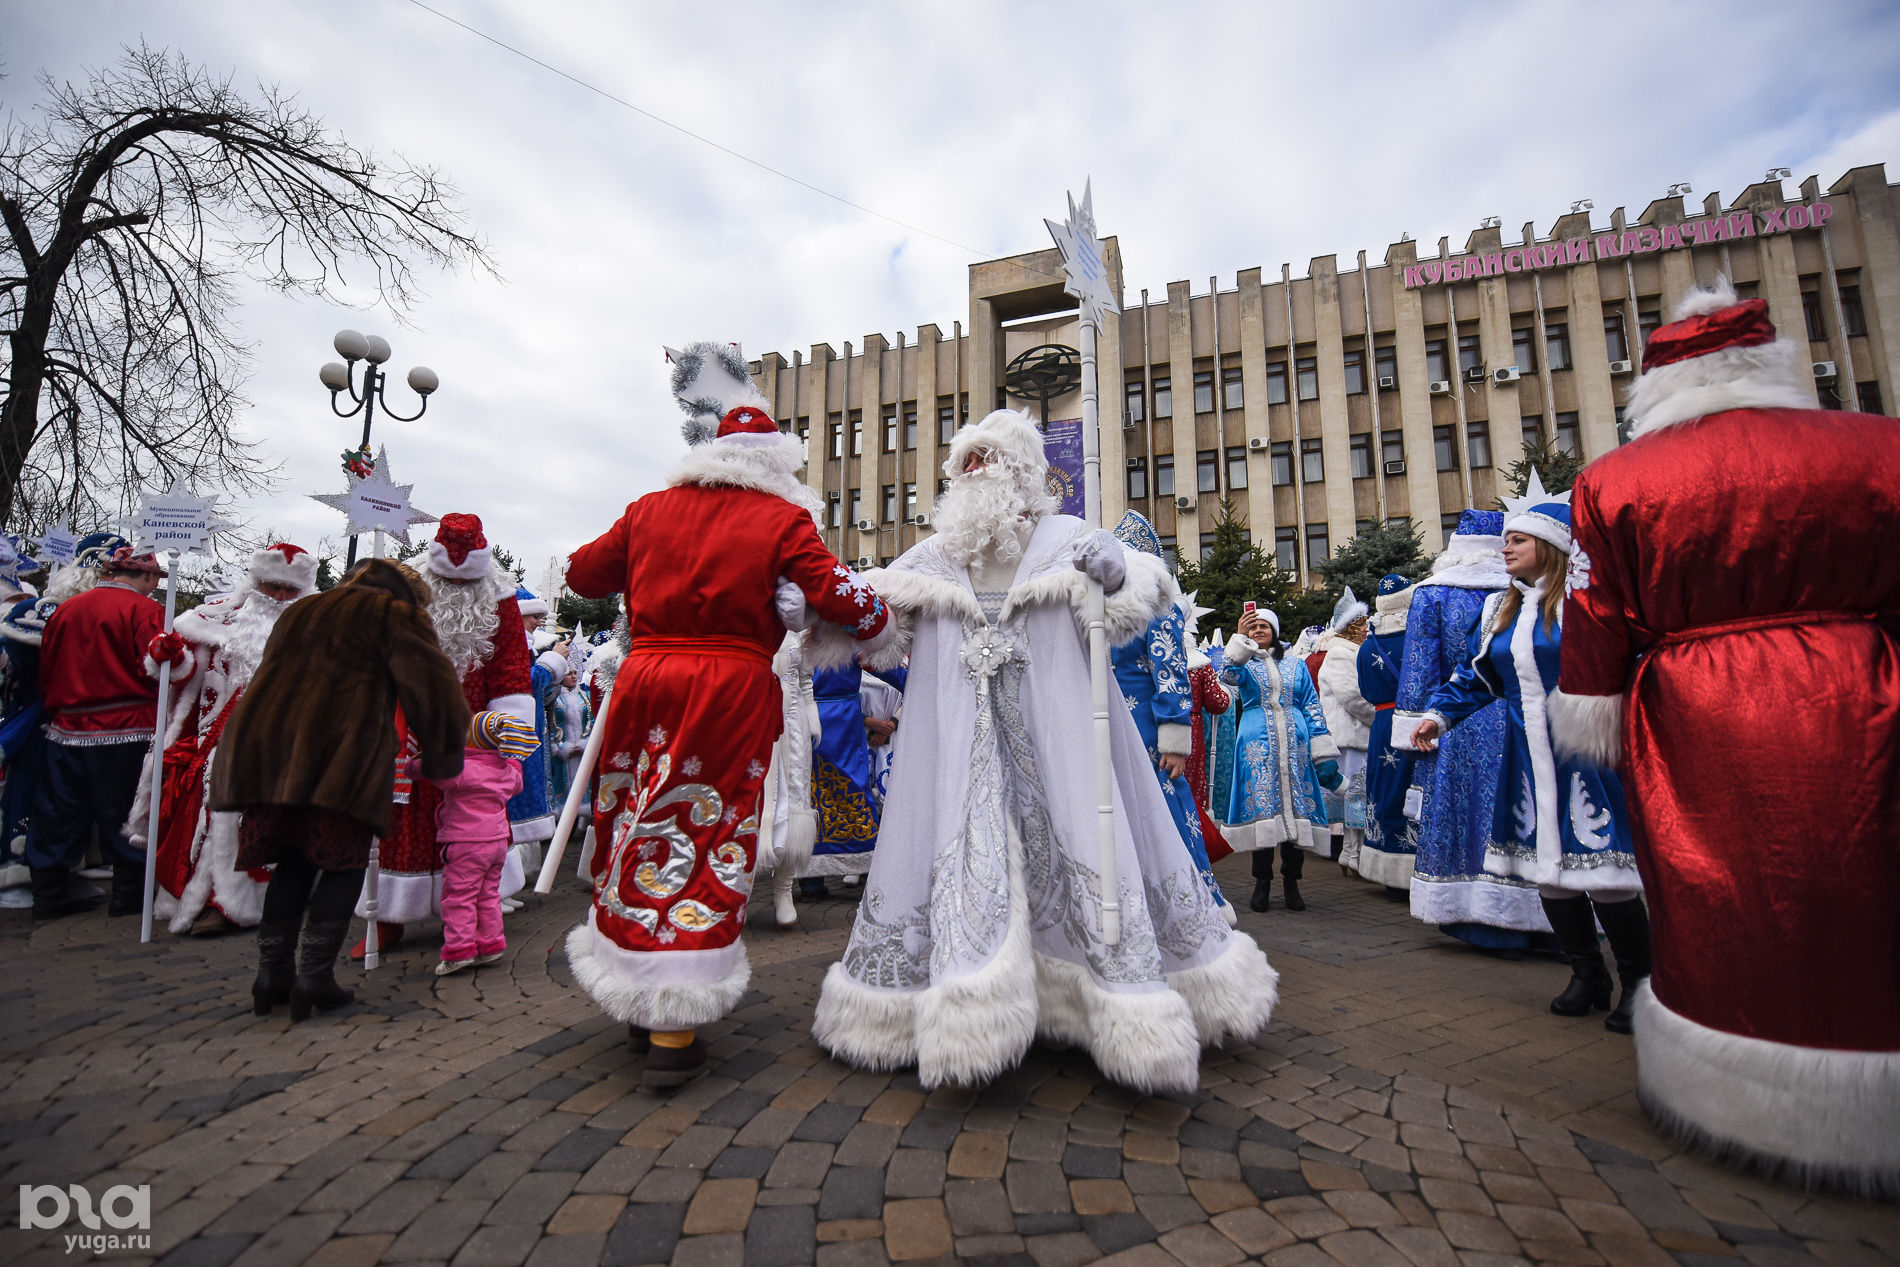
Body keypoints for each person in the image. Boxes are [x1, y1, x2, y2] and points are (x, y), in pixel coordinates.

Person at [810, 408, 1277, 1094]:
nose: (975, 472)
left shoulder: (1070, 542)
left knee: (1077, 845)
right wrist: (817, 612)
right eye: (965, 461)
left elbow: (1139, 600)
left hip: (1060, 747)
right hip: (961, 757)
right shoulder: (931, 558)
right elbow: (871, 623)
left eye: (990, 458)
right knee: (966, 859)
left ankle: (1099, 1005)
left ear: (1024, 472)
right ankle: (957, 1011)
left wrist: (1119, 573)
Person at [1554, 281, 1900, 1195]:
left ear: (1657, 386)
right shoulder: (1882, 449)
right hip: (1866, 693)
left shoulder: (1618, 481)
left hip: (1699, 711)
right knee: (1873, 886)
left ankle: (1729, 1082)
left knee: (1722, 887)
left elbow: (1594, 627)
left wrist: (1599, 706)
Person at [562, 341, 894, 1091]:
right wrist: (877, 625)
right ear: (776, 463)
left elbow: (583, 572)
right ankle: (674, 1026)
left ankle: (639, 995)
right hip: (729, 687)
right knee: (707, 826)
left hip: (648, 676)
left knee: (634, 818)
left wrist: (651, 567)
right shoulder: (779, 518)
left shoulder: (650, 509)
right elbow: (845, 596)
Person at [1411, 475, 1648, 1032]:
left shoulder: (1590, 605)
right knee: (1549, 875)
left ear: (1554, 545)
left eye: (1518, 538)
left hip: (1586, 758)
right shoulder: (1504, 609)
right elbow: (1476, 677)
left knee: (1606, 871)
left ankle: (1640, 983)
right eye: (1506, 539)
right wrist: (1436, 714)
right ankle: (1587, 974)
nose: (1505, 546)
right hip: (1526, 761)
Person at [211, 559, 469, 1019]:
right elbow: (433, 690)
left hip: (271, 752)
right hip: (339, 753)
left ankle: (272, 975)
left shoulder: (302, 610)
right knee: (342, 862)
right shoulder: (395, 613)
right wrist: (442, 755)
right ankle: (316, 977)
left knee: (291, 861)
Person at [353, 513, 533, 958]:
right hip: (408, 717)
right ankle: (390, 917)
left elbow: (510, 665)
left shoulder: (502, 596)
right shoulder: (409, 587)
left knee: (472, 822)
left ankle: (472, 918)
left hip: (474, 728)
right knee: (400, 815)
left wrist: (507, 726)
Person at [126, 544, 318, 936]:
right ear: (255, 582)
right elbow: (184, 678)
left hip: (289, 743)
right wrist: (170, 657)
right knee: (214, 820)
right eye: (271, 587)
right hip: (220, 739)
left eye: (289, 590)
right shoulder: (215, 620)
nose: (279, 598)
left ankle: (266, 901)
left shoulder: (319, 630)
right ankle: (212, 901)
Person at [1397, 510, 1549, 951]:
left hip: (1464, 729)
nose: (1507, 550)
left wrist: (1422, 721)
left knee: (1474, 816)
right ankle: (1552, 924)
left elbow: (1422, 669)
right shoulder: (1524, 593)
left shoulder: (1434, 592)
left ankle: (1481, 919)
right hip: (1524, 719)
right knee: (1535, 814)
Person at [29, 546, 176, 919]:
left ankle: (48, 893)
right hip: (126, 725)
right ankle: (127, 895)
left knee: (59, 808)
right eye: (155, 580)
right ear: (145, 576)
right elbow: (156, 669)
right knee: (124, 808)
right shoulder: (146, 612)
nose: (155, 587)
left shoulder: (67, 608)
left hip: (67, 725)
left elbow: (47, 665)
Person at [1108, 510, 1233, 924]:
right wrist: (1176, 739)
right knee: (1163, 812)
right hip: (1145, 725)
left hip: (1110, 726)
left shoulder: (1096, 602)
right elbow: (1170, 672)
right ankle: (1187, 909)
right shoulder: (1158, 601)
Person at [1211, 606, 1339, 913]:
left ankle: (1292, 882)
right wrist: (1239, 639)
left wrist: (1321, 744)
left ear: (1275, 631)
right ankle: (1262, 883)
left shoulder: (1296, 665)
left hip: (1295, 743)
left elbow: (1311, 703)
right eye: (1253, 628)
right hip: (1257, 742)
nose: (1258, 631)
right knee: (1263, 814)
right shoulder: (1244, 663)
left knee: (1296, 813)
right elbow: (1225, 674)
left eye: (1263, 626)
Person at [428, 711, 538, 975]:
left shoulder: (462, 767)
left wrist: (413, 764)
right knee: (489, 894)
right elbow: (516, 781)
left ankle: (459, 950)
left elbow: (436, 774)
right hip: (497, 843)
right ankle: (490, 944)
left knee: (459, 896)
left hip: (466, 843)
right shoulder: (507, 769)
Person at [1354, 574, 1417, 895]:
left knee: (1383, 791)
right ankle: (1414, 865)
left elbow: (1365, 690)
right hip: (1416, 721)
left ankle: (1385, 863)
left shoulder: (1368, 644)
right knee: (1414, 790)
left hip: (1382, 722)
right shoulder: (1418, 635)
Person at [506, 586, 566, 877]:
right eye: (533, 616)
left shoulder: (525, 646)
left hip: (526, 733)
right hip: (509, 735)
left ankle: (511, 879)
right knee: (508, 807)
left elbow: (537, 696)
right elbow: (520, 684)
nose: (539, 621)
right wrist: (550, 662)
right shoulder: (510, 646)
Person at [0, 595, 57, 899]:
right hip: (36, 728)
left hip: (43, 726)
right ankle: (20, 865)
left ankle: (31, 865)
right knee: (26, 795)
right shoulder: (24, 662)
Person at [1315, 590, 1373, 874]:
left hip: (1355, 736)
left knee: (1357, 796)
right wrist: (1378, 718)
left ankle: (1353, 853)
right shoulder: (1340, 654)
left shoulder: (1352, 652)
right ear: (1350, 626)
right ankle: (1351, 854)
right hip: (1350, 737)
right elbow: (1351, 696)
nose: (1366, 627)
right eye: (1361, 623)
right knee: (1355, 795)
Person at [548, 667, 592, 803]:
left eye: (575, 673)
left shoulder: (585, 696)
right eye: (569, 674)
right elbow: (548, 726)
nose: (573, 676)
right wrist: (559, 748)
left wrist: (587, 744)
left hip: (584, 754)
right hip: (561, 758)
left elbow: (594, 722)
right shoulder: (552, 699)